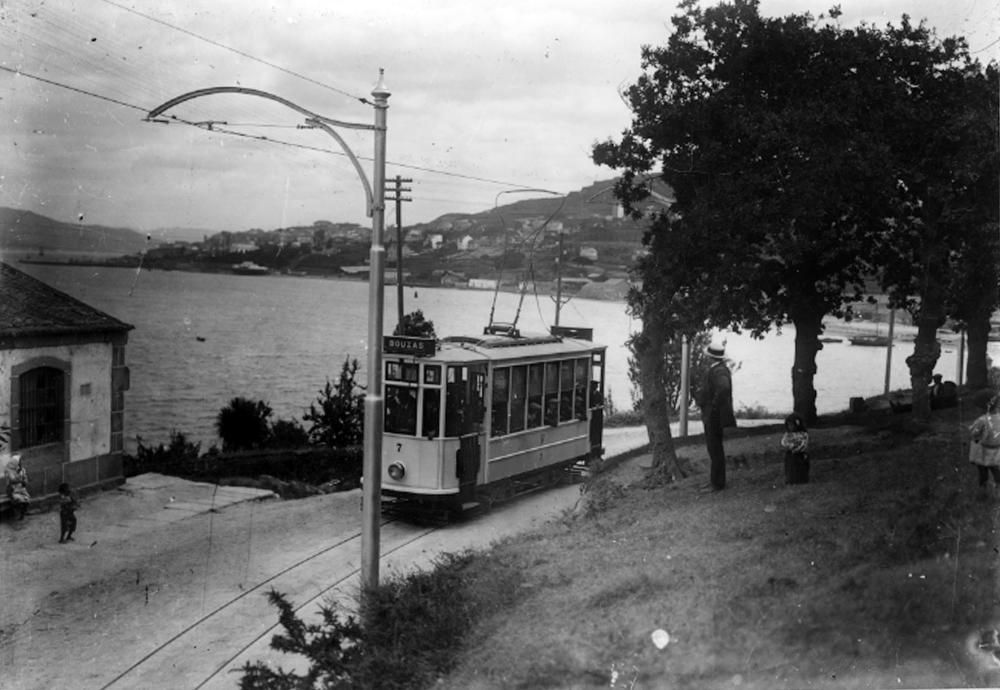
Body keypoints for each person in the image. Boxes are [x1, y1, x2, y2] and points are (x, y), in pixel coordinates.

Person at [698, 338, 736, 491]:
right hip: (713, 414)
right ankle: (715, 480)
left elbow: (724, 388)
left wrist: (713, 406)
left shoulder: (719, 371)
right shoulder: (718, 369)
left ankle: (717, 483)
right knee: (713, 449)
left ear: (710, 357)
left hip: (714, 416)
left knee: (715, 449)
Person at [969, 394, 1000, 497]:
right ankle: (998, 487)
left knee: (983, 470)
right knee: (995, 468)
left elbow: (974, 433)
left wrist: (972, 429)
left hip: (985, 450)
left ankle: (983, 490)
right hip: (997, 449)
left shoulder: (982, 420)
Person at [781, 413, 810, 484]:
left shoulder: (803, 434)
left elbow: (803, 444)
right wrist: (790, 446)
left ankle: (801, 480)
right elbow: (784, 442)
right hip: (790, 453)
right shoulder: (787, 434)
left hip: (800, 454)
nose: (790, 427)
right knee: (790, 467)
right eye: (789, 425)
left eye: (792, 425)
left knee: (800, 467)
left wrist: (796, 448)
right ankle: (790, 479)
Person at [4, 454, 30, 520]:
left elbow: (25, 478)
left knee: (27, 500)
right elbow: (12, 480)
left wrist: (25, 482)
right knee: (19, 500)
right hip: (12, 489)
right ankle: (17, 512)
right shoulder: (9, 471)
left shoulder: (23, 470)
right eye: (19, 461)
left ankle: (22, 513)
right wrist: (20, 478)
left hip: (21, 489)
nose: (20, 463)